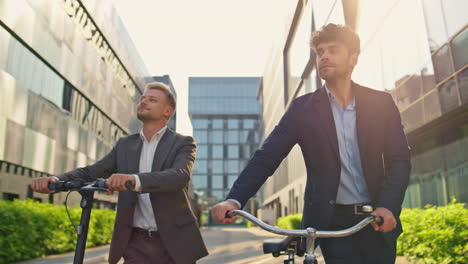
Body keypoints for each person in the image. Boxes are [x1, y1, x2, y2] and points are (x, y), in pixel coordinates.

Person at [211, 24, 411, 264]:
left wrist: (388, 206)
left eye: (333, 50)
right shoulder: (302, 109)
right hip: (332, 222)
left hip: (376, 219)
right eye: (320, 52)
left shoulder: (381, 103)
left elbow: (399, 159)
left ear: (354, 58)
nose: (324, 56)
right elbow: (266, 158)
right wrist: (234, 199)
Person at [32, 82, 208, 264]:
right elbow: (91, 171)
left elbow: (179, 176)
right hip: (135, 242)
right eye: (142, 99)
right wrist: (56, 180)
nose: (144, 102)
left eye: (152, 100)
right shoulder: (125, 144)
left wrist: (134, 179)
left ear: (167, 111)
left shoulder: (183, 142)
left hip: (174, 241)